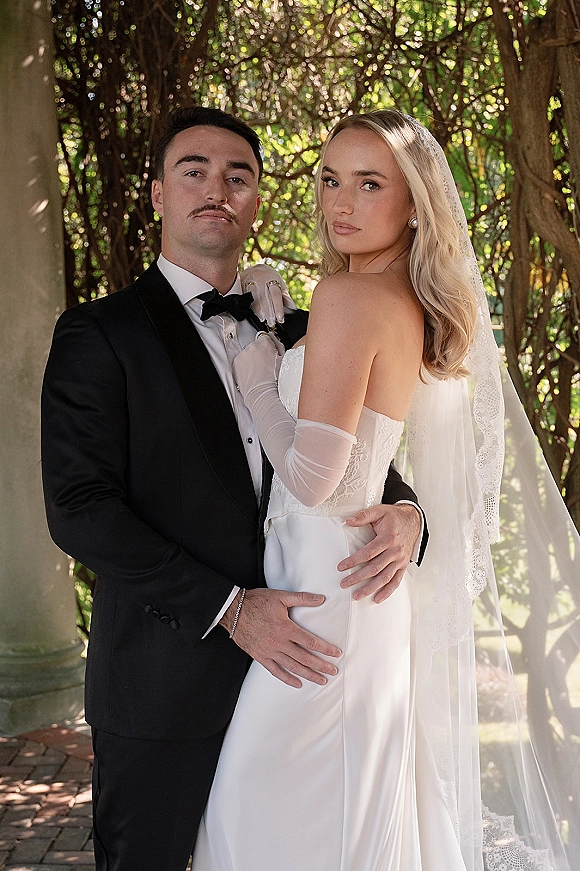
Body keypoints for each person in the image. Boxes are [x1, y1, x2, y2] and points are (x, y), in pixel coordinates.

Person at [40, 106, 427, 871]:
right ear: (157, 194)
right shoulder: (100, 334)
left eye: (238, 175)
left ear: (257, 200)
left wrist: (411, 512)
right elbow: (80, 509)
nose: (217, 187)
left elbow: (354, 459)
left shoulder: (302, 323)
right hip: (166, 679)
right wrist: (229, 608)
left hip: (309, 665)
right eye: (194, 170)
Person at [191, 111, 572, 870]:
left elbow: (311, 477)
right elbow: (363, 457)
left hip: (326, 590)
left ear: (414, 203)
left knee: (255, 813)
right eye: (331, 178)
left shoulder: (349, 298)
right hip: (342, 582)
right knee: (322, 818)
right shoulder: (392, 298)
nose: (343, 202)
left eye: (371, 184)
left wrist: (260, 381)